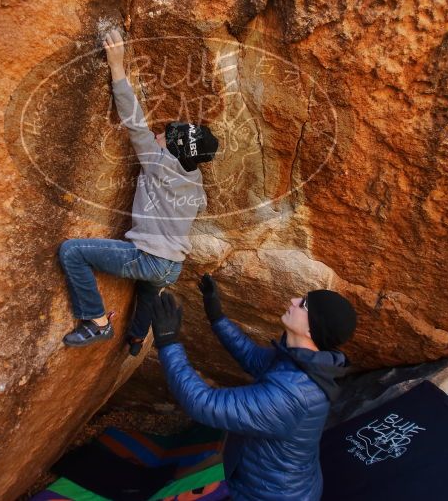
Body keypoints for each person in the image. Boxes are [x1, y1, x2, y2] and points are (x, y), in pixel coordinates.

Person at [59, 29, 219, 354]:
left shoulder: (158, 161)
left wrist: (116, 66)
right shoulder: (195, 178)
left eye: (166, 135)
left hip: (150, 258)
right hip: (172, 266)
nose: (159, 133)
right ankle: (135, 338)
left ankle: (96, 322)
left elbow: (134, 121)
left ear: (173, 150)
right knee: (149, 290)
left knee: (72, 252)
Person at [149, 274, 357, 500]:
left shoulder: (292, 395)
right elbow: (253, 358)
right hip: (280, 482)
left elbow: (204, 405)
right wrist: (217, 317)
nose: (294, 300)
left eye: (304, 304)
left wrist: (168, 342)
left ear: (312, 330)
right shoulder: (306, 362)